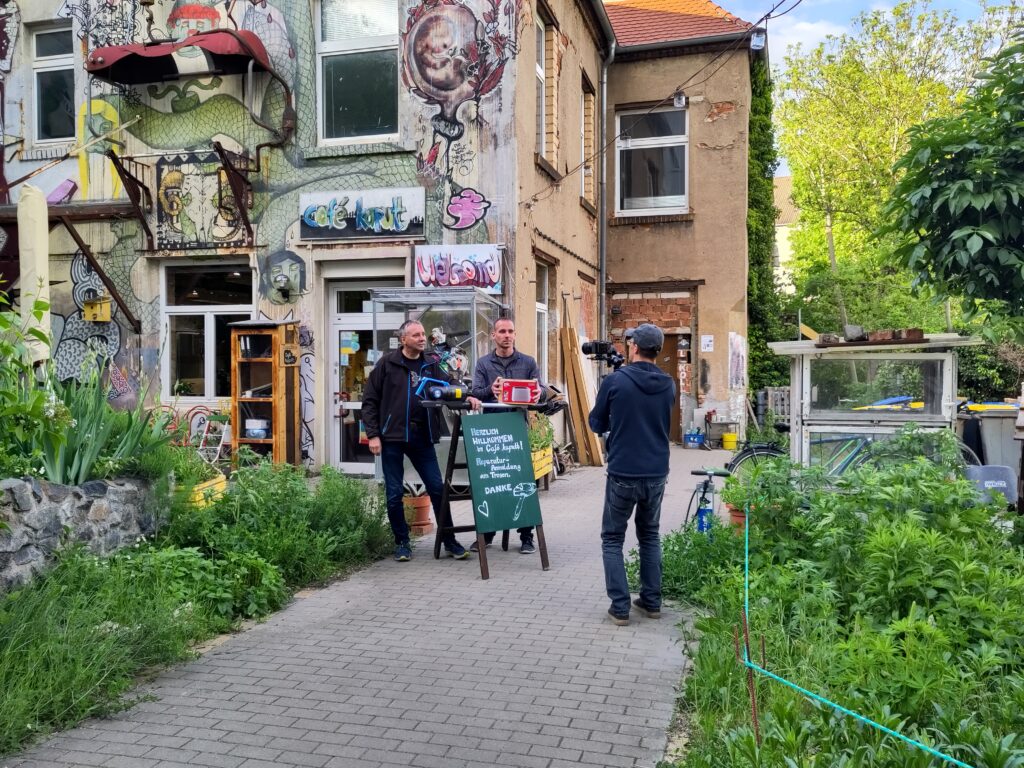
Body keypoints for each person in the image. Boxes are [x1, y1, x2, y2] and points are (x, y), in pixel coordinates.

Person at [363, 320, 481, 562]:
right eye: (416, 335)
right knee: (394, 493)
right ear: (403, 339)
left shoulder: (431, 364)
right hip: (392, 437)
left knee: (437, 489)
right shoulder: (387, 363)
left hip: (422, 437)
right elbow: (370, 400)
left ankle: (449, 540)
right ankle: (402, 543)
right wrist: (373, 434)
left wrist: (467, 396)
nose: (421, 338)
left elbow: (450, 385)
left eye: (423, 334)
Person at [588, 324, 675, 626]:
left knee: (612, 538)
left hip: (623, 471)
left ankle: (620, 607)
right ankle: (651, 602)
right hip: (656, 472)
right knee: (649, 535)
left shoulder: (615, 381)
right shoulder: (669, 384)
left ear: (634, 347)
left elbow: (596, 424)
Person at [470, 317, 544, 554]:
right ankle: (488, 533)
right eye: (502, 331)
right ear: (494, 335)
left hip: (517, 429)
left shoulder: (528, 362)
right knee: (491, 482)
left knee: (524, 482)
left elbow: (540, 391)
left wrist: (538, 393)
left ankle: (526, 537)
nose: (507, 335)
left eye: (510, 331)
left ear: (515, 334)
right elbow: (475, 393)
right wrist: (490, 390)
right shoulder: (483, 363)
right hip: (492, 432)